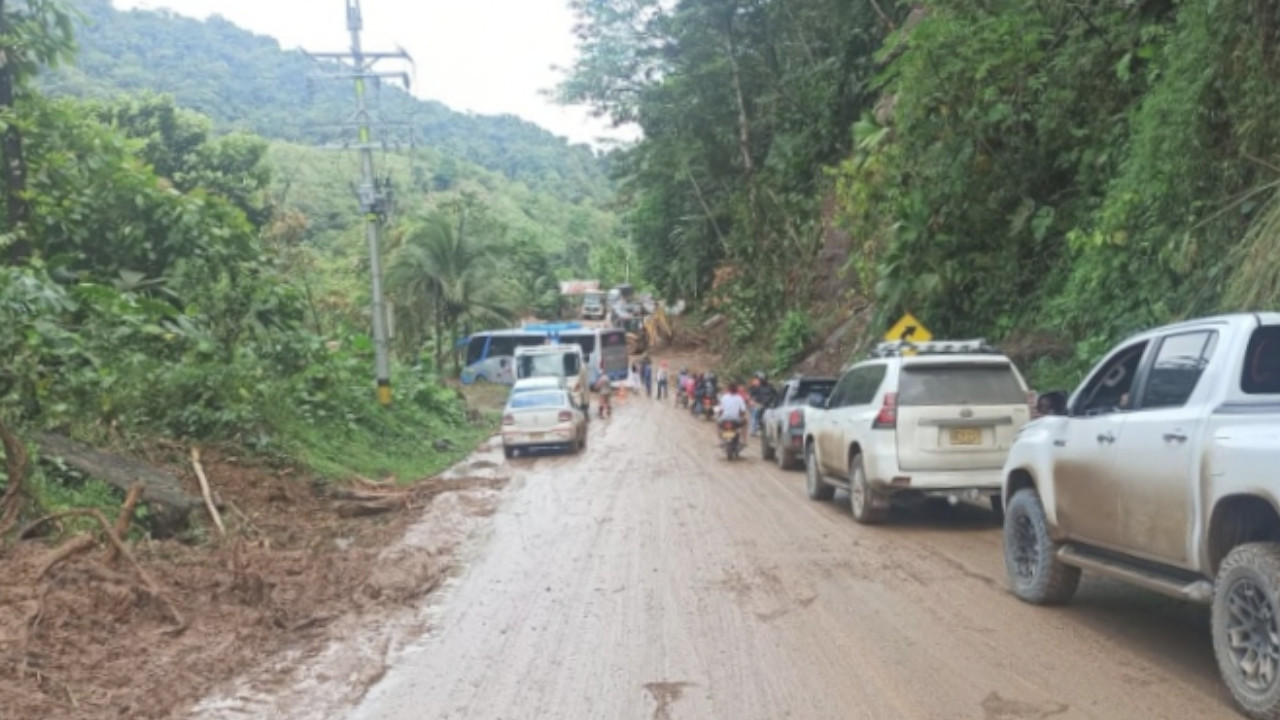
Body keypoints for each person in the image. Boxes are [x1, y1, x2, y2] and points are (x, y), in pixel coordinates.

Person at [748, 371, 778, 437]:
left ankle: (770, 431)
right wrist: (752, 401)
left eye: (759, 379)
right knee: (755, 414)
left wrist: (773, 403)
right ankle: (753, 430)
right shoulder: (755, 387)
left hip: (768, 405)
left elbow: (775, 396)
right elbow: (750, 395)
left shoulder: (770, 387)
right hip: (759, 404)